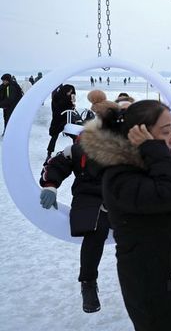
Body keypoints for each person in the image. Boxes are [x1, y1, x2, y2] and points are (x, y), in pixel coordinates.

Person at [80, 100, 171, 330]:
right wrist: (154, 145)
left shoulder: (159, 162)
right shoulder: (119, 176)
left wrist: (162, 128)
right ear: (140, 134)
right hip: (159, 289)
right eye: (166, 131)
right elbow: (169, 194)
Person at [39, 99, 118, 313]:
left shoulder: (125, 149)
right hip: (89, 201)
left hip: (118, 201)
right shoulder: (77, 149)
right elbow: (55, 165)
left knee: (133, 233)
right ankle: (88, 284)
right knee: (96, 232)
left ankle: (138, 279)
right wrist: (50, 186)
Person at [46, 84, 76, 161]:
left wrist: (72, 104)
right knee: (55, 135)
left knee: (74, 135)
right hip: (58, 119)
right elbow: (57, 109)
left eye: (71, 92)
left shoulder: (69, 97)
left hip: (67, 119)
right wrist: (69, 106)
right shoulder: (57, 97)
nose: (70, 93)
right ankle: (49, 153)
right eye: (69, 91)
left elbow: (71, 107)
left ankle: (76, 151)